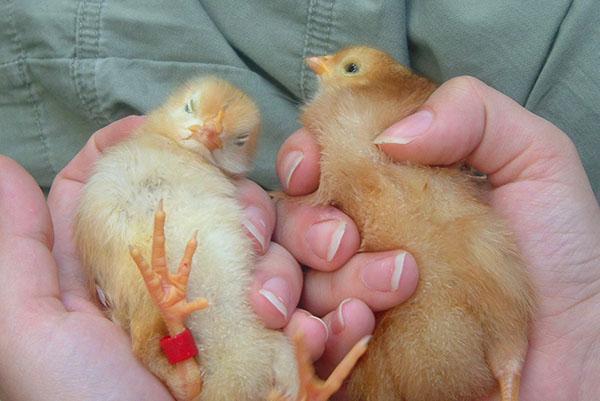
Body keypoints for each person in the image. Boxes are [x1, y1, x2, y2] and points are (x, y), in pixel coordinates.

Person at [0, 2, 599, 400]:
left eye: (235, 139)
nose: (209, 134)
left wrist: (578, 354)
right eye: (193, 114)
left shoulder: (364, 136)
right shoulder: (128, 176)